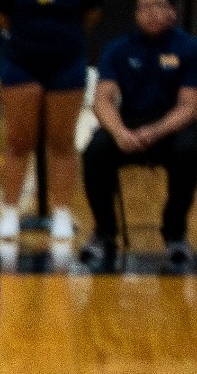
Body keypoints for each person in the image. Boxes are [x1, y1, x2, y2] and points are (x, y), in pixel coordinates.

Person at [77, 0, 197, 270]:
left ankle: (175, 235)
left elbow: (190, 106)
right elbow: (102, 100)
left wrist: (154, 132)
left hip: (172, 126)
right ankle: (104, 233)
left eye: (158, 6)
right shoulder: (119, 48)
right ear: (136, 14)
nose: (151, 13)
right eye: (144, 7)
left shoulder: (189, 48)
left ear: (171, 12)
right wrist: (120, 132)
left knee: (189, 150)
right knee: (96, 150)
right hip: (129, 123)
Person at [0, 0, 102, 243]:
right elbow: (2, 15)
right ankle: (10, 210)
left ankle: (61, 212)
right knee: (18, 141)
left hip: (67, 60)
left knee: (62, 141)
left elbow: (90, 15)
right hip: (21, 60)